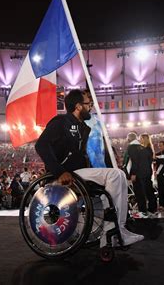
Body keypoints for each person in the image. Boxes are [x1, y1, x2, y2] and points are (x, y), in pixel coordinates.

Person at [35, 89, 144, 247]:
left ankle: (117, 230)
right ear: (78, 107)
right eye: (88, 104)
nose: (91, 107)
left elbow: (81, 157)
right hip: (63, 174)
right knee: (114, 175)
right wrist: (59, 172)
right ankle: (110, 233)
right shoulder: (60, 122)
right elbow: (41, 145)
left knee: (118, 176)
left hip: (78, 173)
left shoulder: (84, 128)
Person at [123, 132, 156, 218]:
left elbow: (135, 161)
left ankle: (143, 212)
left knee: (139, 193)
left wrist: (133, 173)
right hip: (147, 173)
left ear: (129, 139)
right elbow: (149, 161)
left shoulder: (131, 147)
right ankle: (151, 210)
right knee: (148, 191)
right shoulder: (143, 147)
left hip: (138, 174)